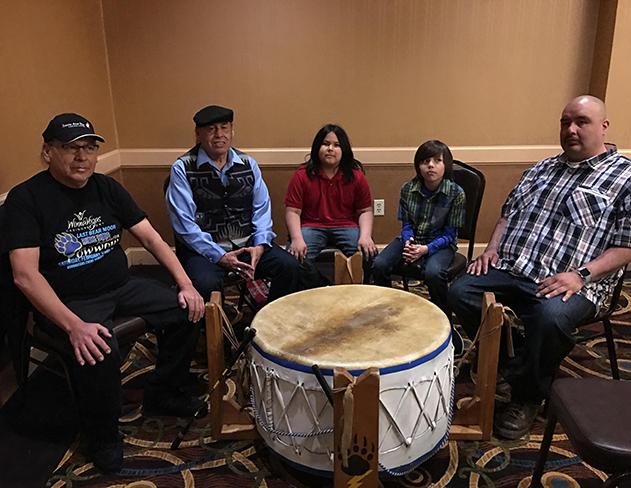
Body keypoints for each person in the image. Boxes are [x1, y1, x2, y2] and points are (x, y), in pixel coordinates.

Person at [4, 113, 206, 472]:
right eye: (71, 148)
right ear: (48, 152)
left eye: (89, 148)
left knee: (186, 309)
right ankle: (103, 436)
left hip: (121, 285)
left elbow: (151, 238)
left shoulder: (106, 188)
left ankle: (164, 392)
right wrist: (74, 326)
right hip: (69, 301)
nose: (82, 157)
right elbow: (25, 277)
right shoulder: (26, 199)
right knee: (99, 347)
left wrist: (186, 284)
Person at [448, 95, 631, 440]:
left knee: (549, 318)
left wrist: (581, 275)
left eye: (582, 122)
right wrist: (492, 249)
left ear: (603, 127)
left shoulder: (629, 178)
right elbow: (508, 215)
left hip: (575, 280)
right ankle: (513, 356)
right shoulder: (541, 169)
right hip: (513, 267)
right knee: (460, 290)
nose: (571, 129)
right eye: (565, 122)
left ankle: (527, 395)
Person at [166, 105, 300, 301]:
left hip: (248, 245)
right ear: (198, 134)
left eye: (224, 127)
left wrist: (260, 245)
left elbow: (262, 210)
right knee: (204, 284)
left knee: (290, 267)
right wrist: (220, 256)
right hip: (205, 251)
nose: (219, 135)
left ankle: (270, 316)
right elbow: (184, 225)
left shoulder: (248, 164)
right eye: (211, 129)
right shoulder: (182, 168)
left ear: (232, 131)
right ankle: (214, 321)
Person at [373, 140, 465, 314]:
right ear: (418, 166)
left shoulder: (456, 193)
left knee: (433, 273)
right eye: (425, 161)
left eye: (437, 161)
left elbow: (449, 235)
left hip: (441, 244)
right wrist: (408, 241)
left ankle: (442, 315)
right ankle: (387, 310)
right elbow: (407, 224)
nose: (431, 165)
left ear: (446, 165)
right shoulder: (408, 189)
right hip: (413, 238)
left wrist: (425, 249)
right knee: (379, 264)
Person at [284, 124, 378, 262]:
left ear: (344, 150)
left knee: (368, 254)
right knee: (296, 258)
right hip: (311, 226)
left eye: (337, 145)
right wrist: (296, 239)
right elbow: (293, 211)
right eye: (325, 144)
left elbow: (365, 211)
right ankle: (320, 278)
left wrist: (366, 236)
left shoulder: (356, 176)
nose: (330, 149)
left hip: (347, 226)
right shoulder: (301, 176)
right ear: (317, 147)